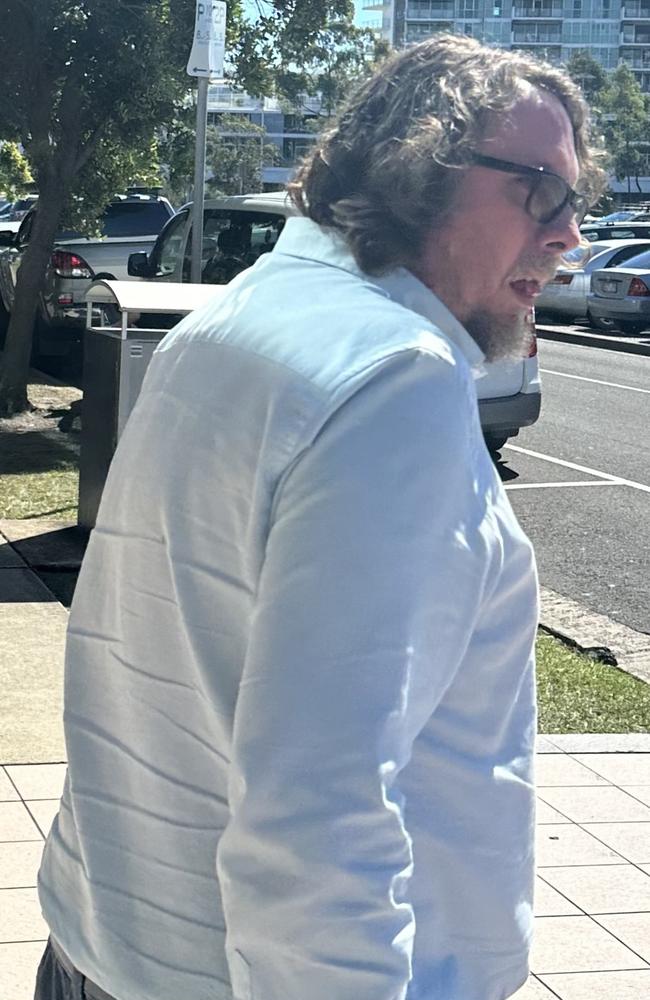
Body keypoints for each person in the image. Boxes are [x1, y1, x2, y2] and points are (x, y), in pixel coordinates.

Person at [35, 34, 606, 1000]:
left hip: (99, 939)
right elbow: (320, 811)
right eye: (540, 191)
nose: (569, 235)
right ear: (422, 169)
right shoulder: (395, 379)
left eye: (577, 200)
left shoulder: (238, 313)